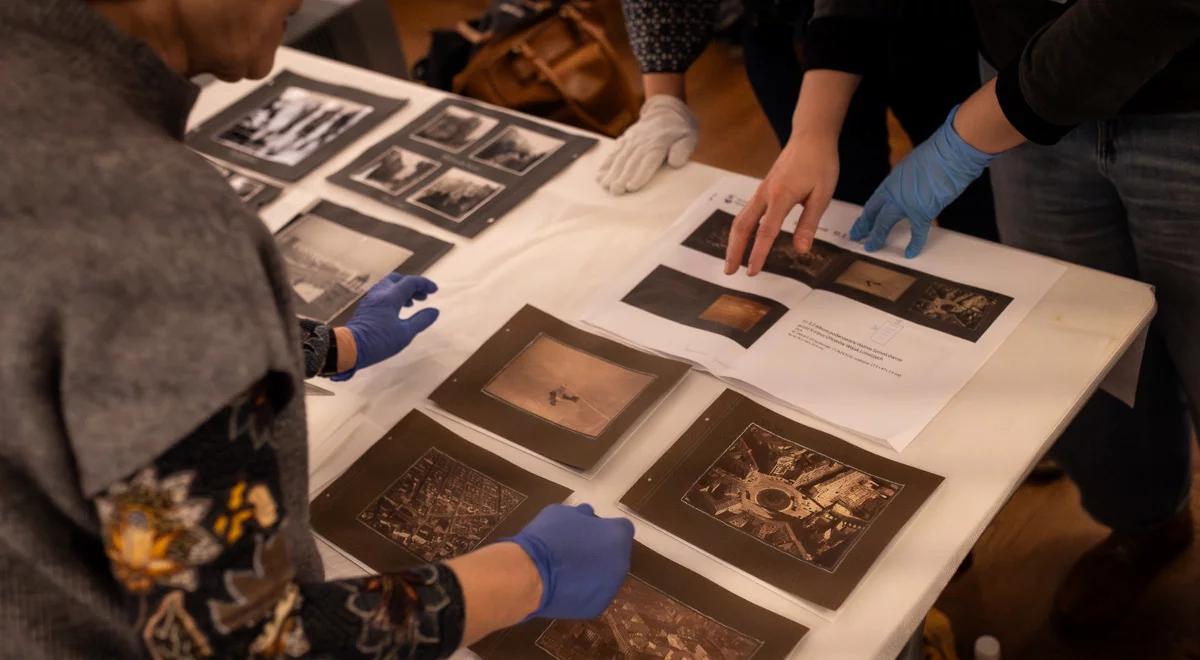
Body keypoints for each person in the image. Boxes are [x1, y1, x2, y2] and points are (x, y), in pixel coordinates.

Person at [0, 1, 634, 658]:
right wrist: (525, 575)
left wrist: (328, 345)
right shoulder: (140, 207)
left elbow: (73, 354)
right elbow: (247, 644)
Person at [726, 0, 1200, 633]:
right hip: (1020, 95)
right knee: (1078, 351)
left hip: (1184, 100)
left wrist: (961, 141)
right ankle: (1145, 523)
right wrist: (813, 127)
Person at [599, 0, 998, 242]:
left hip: (930, 24)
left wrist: (814, 127)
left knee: (976, 197)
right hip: (779, 27)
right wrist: (663, 98)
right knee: (840, 210)